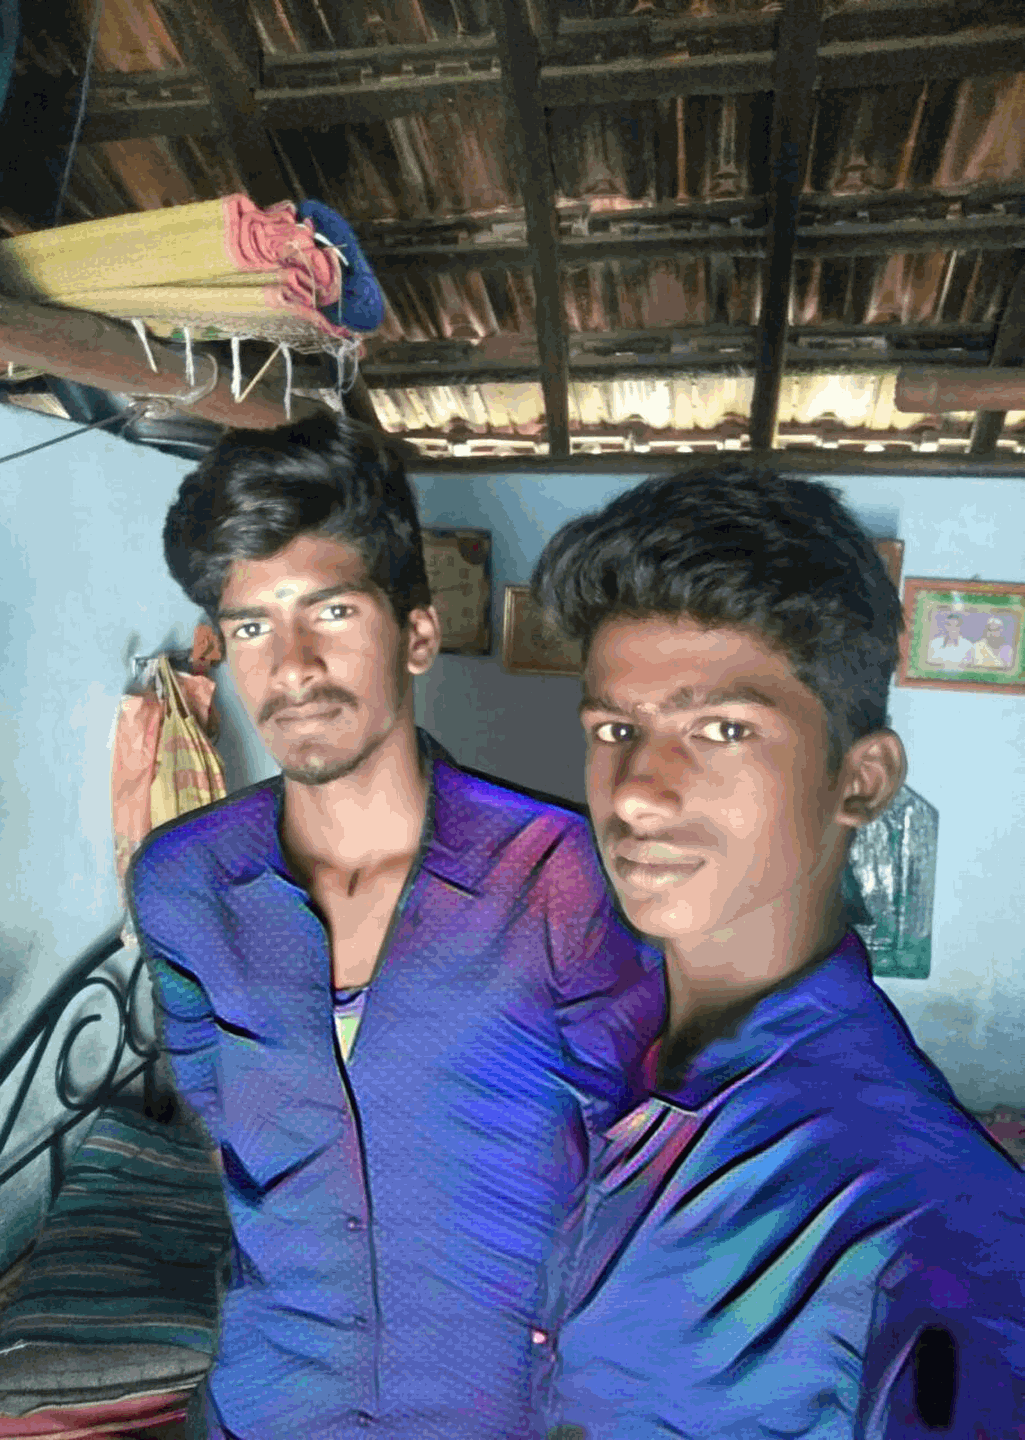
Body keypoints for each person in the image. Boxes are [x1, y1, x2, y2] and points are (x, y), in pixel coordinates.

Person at [126, 408, 664, 1440]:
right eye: (252, 627)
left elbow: (639, 1167)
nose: (291, 666)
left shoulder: (561, 875)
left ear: (416, 634)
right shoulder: (185, 883)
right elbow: (221, 1113)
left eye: (330, 612)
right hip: (274, 1403)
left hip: (499, 1410)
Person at [527, 466, 1025, 1439]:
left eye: (722, 729)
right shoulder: (581, 1047)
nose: (635, 791)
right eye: (616, 729)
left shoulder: (933, 1237)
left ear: (861, 780)